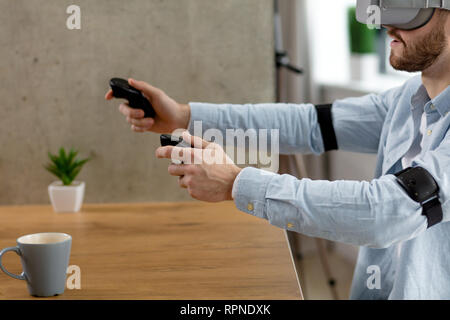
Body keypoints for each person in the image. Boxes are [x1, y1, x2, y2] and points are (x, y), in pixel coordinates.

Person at [105, 9, 450, 299]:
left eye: (405, 6)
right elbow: (310, 124)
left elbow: (388, 211)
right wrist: (185, 117)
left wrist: (236, 183)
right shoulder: (406, 100)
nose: (384, 22)